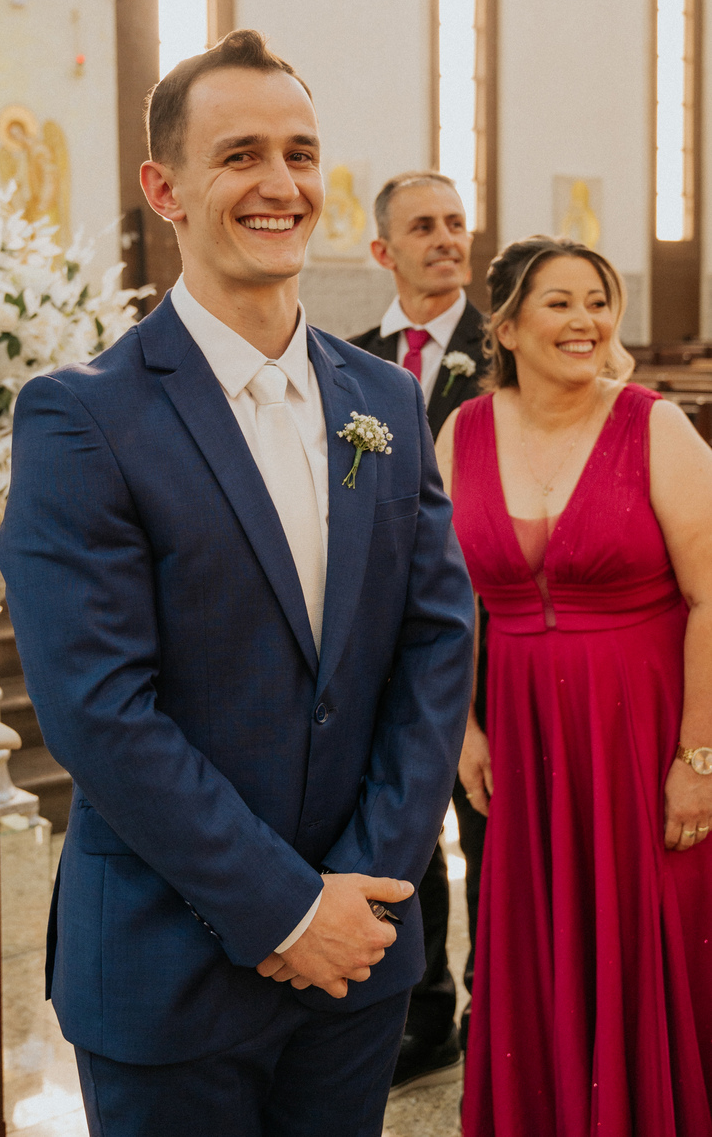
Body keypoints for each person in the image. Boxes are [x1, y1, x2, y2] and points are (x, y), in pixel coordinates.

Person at [0, 30, 475, 1137]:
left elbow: (436, 643)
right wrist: (287, 910)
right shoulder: (83, 417)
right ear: (164, 188)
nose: (281, 184)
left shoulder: (384, 403)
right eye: (241, 155)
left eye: (300, 153)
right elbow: (98, 709)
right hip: (169, 966)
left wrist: (362, 892)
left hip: (360, 958)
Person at [435, 235, 712, 1135]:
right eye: (558, 303)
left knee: (651, 939)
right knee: (541, 938)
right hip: (525, 733)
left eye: (598, 302)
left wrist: (699, 758)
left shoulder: (652, 426)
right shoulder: (465, 432)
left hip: (644, 728)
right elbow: (446, 599)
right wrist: (464, 728)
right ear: (508, 327)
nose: (585, 320)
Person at [350, 171, 489, 1094]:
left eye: (455, 223)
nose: (446, 239)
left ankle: (495, 1003)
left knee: (486, 830)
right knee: (402, 828)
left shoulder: (504, 349)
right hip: (375, 636)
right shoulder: (350, 359)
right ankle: (424, 1009)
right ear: (382, 251)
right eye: (424, 227)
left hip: (479, 630)